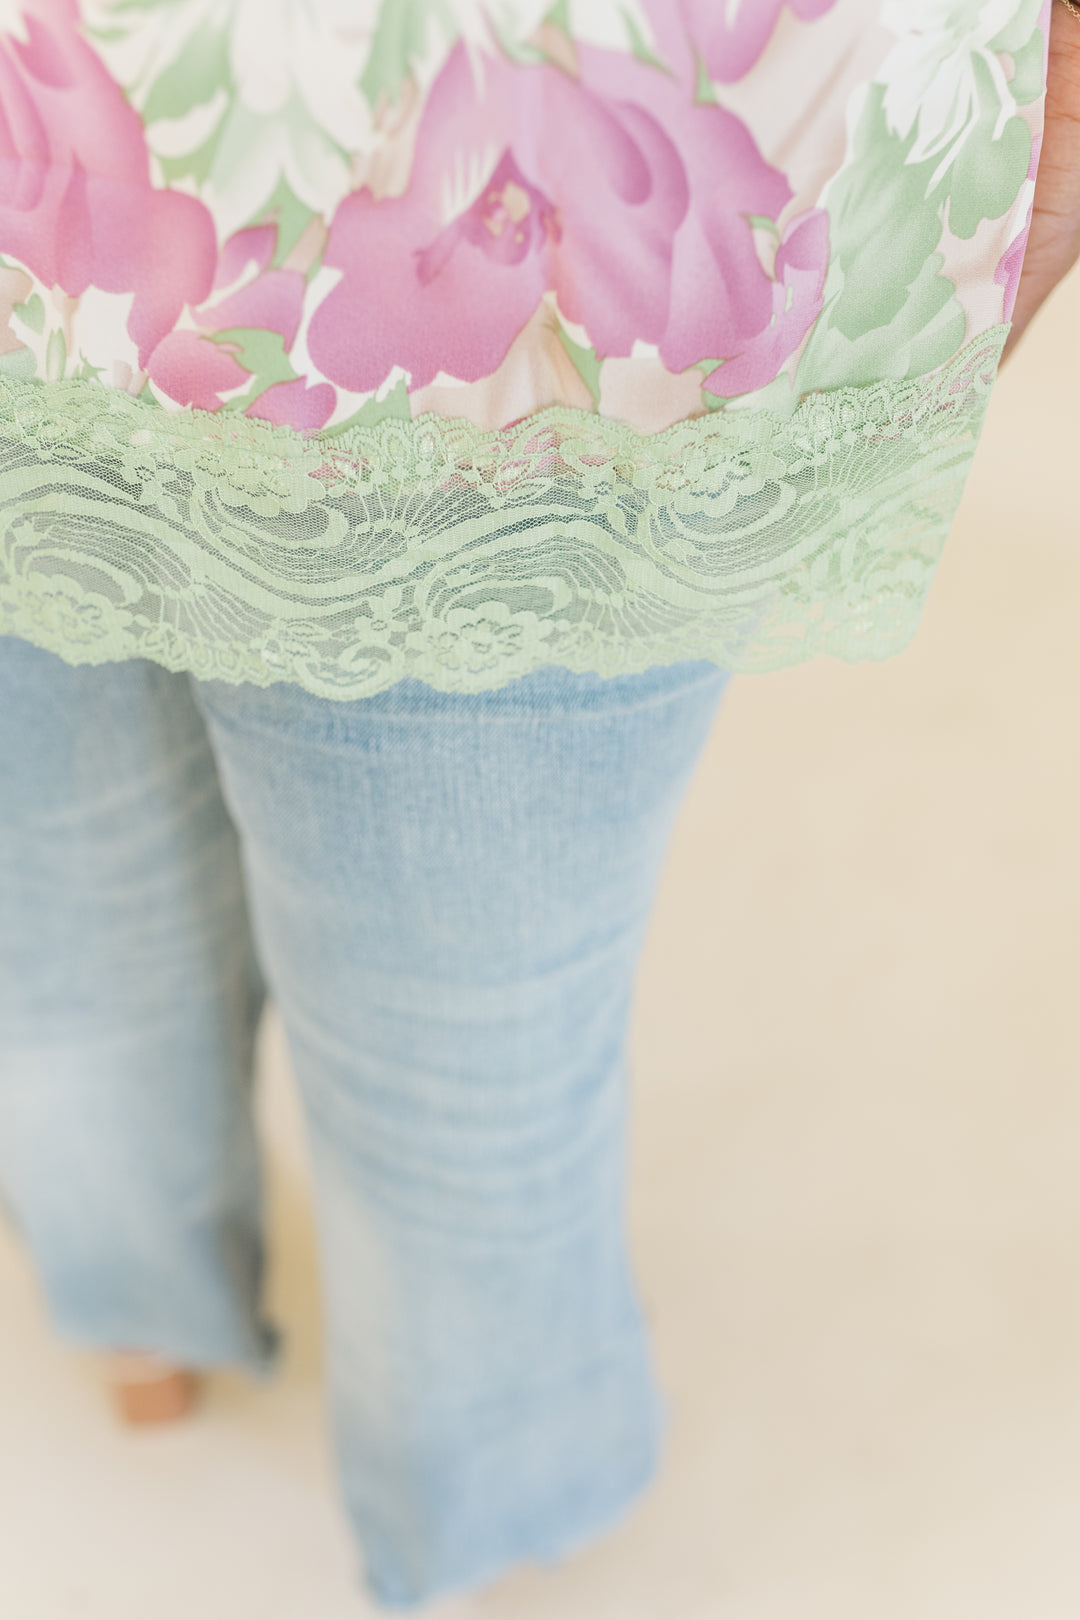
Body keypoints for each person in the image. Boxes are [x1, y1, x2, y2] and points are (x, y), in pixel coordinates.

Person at [0, 1, 1077, 1609]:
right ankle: (479, 1504)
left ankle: (141, 1315)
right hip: (529, 245)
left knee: (60, 910)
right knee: (464, 1056)